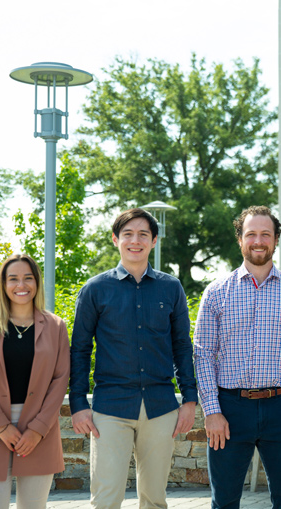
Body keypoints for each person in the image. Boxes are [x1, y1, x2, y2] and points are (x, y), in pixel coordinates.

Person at [69, 208, 198, 509]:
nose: (135, 241)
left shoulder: (171, 287)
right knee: (106, 499)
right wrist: (78, 404)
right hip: (110, 408)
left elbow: (182, 346)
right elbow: (80, 349)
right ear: (116, 240)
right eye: (127, 234)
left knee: (155, 499)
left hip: (161, 407)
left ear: (154, 241)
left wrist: (189, 400)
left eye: (143, 234)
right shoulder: (95, 289)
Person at [193, 205, 281, 509]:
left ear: (276, 240)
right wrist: (211, 411)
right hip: (229, 409)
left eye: (266, 234)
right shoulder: (216, 292)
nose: (258, 240)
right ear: (240, 239)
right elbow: (203, 355)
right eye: (251, 234)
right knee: (223, 502)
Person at [0, 254, 70, 509]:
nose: (21, 285)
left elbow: (60, 379)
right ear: (3, 284)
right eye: (13, 279)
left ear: (37, 282)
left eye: (28, 278)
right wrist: (0, 425)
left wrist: (37, 429)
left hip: (39, 429)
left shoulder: (55, 326)